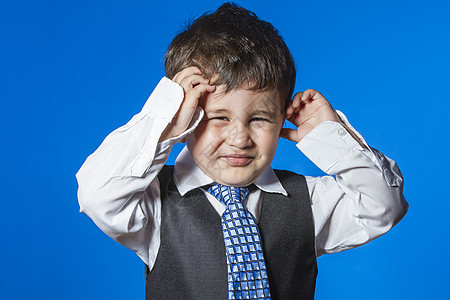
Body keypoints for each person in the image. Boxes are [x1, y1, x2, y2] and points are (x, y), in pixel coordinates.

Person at [76, 3, 408, 299]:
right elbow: (97, 195)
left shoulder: (306, 201)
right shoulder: (154, 203)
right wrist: (163, 120)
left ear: (281, 120)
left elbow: (383, 205)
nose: (240, 138)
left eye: (260, 118)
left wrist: (329, 136)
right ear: (186, 117)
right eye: (219, 117)